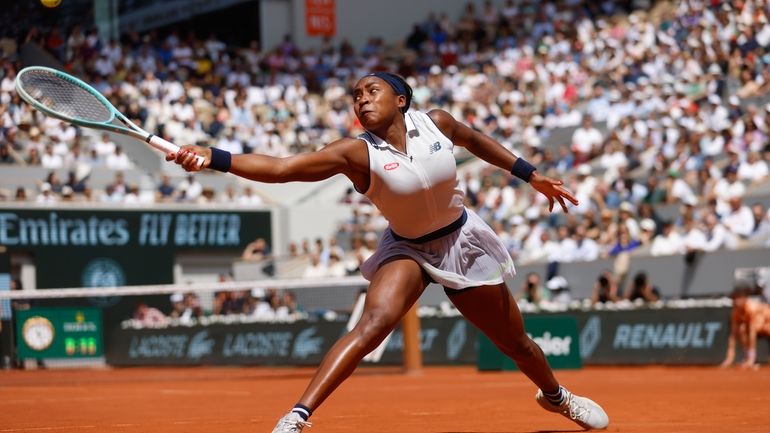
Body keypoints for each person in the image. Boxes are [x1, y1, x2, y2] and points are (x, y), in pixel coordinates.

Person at [168, 72, 608, 431]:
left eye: (371, 91)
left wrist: (530, 176)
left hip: (461, 241)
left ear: (401, 99)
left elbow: (476, 141)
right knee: (372, 325)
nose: (361, 100)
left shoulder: (438, 122)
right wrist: (214, 156)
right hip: (406, 248)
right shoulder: (356, 154)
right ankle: (297, 418)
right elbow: (283, 169)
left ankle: (557, 397)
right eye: (355, 96)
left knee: (516, 343)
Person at [721, 286, 770, 370]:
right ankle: (749, 358)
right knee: (741, 329)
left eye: (739, 299)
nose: (737, 302)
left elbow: (752, 332)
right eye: (735, 299)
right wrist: (729, 358)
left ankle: (751, 359)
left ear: (745, 299)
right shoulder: (735, 312)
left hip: (766, 325)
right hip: (757, 328)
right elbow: (733, 334)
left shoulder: (752, 308)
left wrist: (751, 358)